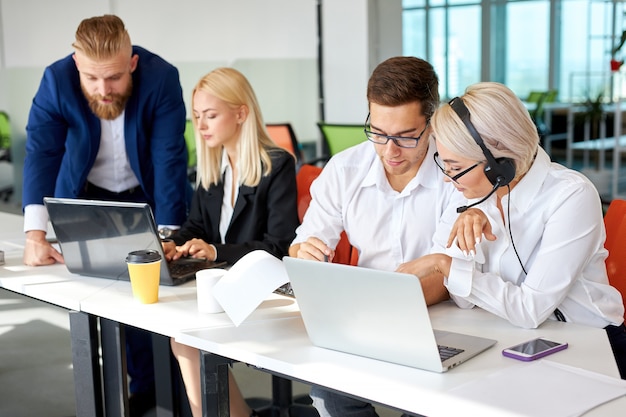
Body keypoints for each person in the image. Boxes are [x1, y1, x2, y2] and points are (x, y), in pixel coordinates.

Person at [22, 15, 189, 415]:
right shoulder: (56, 80)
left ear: (131, 62)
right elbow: (42, 152)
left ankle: (179, 390)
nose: (103, 89)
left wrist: (168, 233)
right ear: (77, 64)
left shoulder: (161, 77)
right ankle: (145, 387)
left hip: (148, 196)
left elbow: (169, 158)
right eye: (92, 78)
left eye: (113, 77)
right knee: (110, 293)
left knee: (159, 291)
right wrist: (34, 234)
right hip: (87, 196)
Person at [408, 81, 626, 378]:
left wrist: (444, 263)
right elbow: (462, 298)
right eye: (444, 164)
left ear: (499, 162)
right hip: (510, 337)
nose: (448, 179)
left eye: (455, 167)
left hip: (592, 348)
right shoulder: (470, 194)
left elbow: (530, 309)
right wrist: (463, 252)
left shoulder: (571, 195)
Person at [289, 56, 465, 417]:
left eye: (404, 137)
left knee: (431, 404)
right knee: (329, 392)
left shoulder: (457, 175)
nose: (389, 151)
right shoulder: (345, 169)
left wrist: (383, 304)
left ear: (432, 124)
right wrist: (304, 254)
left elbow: (449, 276)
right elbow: (302, 243)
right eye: (379, 133)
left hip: (443, 320)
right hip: (362, 319)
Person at [168, 67, 299, 417]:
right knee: (178, 332)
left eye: (210, 115)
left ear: (241, 113)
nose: (201, 125)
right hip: (221, 286)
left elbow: (279, 247)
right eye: (196, 116)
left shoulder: (277, 165)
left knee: (184, 338)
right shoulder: (214, 167)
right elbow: (196, 224)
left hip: (264, 291)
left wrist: (215, 252)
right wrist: (172, 243)